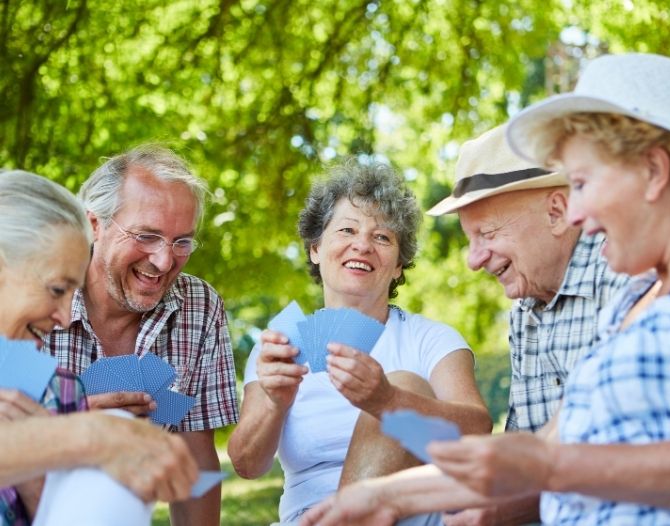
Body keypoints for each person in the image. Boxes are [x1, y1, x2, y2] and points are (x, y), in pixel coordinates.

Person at [300, 125, 628, 525]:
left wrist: (402, 491)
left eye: (486, 234)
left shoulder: (625, 276)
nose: (474, 260)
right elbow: (523, 452)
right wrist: (390, 497)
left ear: (556, 213)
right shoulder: (526, 312)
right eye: (471, 239)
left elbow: (623, 446)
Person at [228, 158, 492, 524]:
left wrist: (388, 400)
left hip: (408, 516)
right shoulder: (279, 348)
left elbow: (478, 431)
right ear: (315, 249)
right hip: (308, 517)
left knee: (405, 383)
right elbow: (246, 465)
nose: (363, 245)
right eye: (347, 230)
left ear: (398, 265)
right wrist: (275, 403)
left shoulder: (431, 339)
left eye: (382, 237)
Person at [42, 145, 238, 526]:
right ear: (93, 224)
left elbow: (195, 457)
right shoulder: (33, 292)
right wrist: (68, 421)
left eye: (182, 241)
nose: (165, 262)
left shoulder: (199, 307)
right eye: (146, 235)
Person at [0, 170, 198, 525]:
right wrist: (87, 434)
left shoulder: (55, 391)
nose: (63, 318)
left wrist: (38, 472)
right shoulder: (77, 427)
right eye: (57, 289)